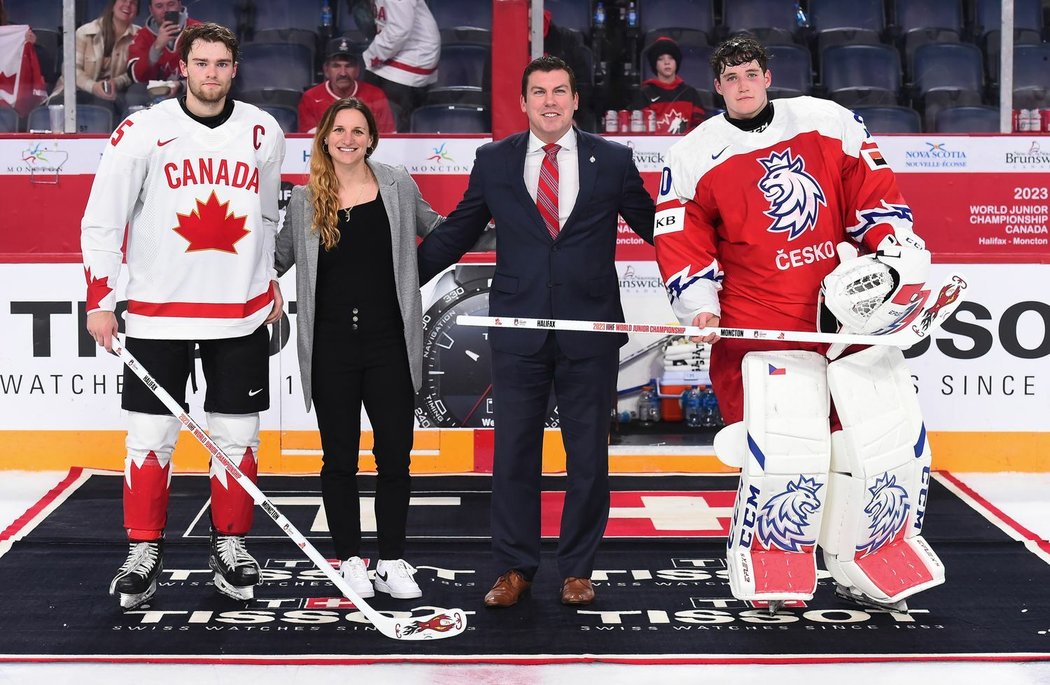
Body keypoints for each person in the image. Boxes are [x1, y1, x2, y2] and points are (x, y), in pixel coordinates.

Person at [653, 35, 944, 611]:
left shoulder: (826, 121)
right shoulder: (693, 154)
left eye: (751, 73)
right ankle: (775, 554)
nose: (743, 84)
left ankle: (867, 549)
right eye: (731, 76)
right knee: (787, 450)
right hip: (760, 322)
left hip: (844, 313)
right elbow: (680, 237)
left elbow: (875, 196)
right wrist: (699, 303)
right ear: (717, 86)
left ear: (767, 76)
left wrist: (895, 260)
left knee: (876, 442)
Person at [417, 55, 655, 608]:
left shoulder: (614, 160)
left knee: (588, 459)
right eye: (539, 92)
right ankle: (514, 569)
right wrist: (395, 280)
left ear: (576, 100)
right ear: (523, 103)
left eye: (560, 91)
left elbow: (657, 229)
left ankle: (577, 569)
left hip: (590, 334)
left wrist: (708, 279)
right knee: (515, 455)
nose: (550, 101)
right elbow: (457, 232)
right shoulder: (494, 160)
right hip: (517, 335)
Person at [82, 22, 286, 610]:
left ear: (235, 68)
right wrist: (101, 298)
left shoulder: (261, 130)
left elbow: (268, 216)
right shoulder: (142, 130)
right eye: (202, 63)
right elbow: (103, 219)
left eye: (223, 64)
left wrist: (268, 277)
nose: (212, 74)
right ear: (184, 66)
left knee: (237, 435)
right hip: (155, 314)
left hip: (239, 313)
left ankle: (231, 548)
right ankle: (144, 550)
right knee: (149, 438)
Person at [276, 98, 442, 601]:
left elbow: (442, 231)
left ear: (371, 139)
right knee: (339, 459)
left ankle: (390, 560)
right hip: (330, 347)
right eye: (339, 130)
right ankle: (349, 559)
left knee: (395, 456)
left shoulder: (397, 185)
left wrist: (506, 228)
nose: (348, 138)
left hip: (389, 342)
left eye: (358, 130)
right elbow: (275, 259)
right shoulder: (306, 200)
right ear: (324, 137)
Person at [359, 0, 440, 132]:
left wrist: (370, 56)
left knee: (391, 123)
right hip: (399, 52)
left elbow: (398, 31)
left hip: (412, 57)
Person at [48, 0, 140, 113]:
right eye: (123, 0)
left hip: (112, 96)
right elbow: (71, 70)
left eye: (133, 3)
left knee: (106, 106)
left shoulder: (140, 37)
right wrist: (94, 87)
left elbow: (135, 72)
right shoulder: (84, 32)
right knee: (59, 107)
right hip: (75, 92)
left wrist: (116, 82)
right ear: (112, 5)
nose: (128, 5)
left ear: (137, 11)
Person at [298, 38, 395, 134]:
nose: (343, 73)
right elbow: (309, 143)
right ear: (326, 70)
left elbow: (390, 140)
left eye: (348, 66)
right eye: (336, 66)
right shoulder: (311, 98)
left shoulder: (375, 96)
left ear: (357, 70)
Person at [126, 0, 200, 100]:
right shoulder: (142, 35)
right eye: (159, 6)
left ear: (179, 4)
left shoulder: (199, 31)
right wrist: (157, 46)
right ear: (151, 10)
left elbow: (210, 72)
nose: (165, 10)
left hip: (187, 93)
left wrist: (182, 85)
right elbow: (136, 76)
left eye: (171, 4)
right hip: (151, 94)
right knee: (134, 91)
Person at [633, 35, 705, 135]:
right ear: (655, 64)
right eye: (660, 59)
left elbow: (700, 127)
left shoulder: (690, 93)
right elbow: (639, 129)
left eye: (671, 58)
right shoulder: (645, 93)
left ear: (676, 62)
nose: (667, 62)